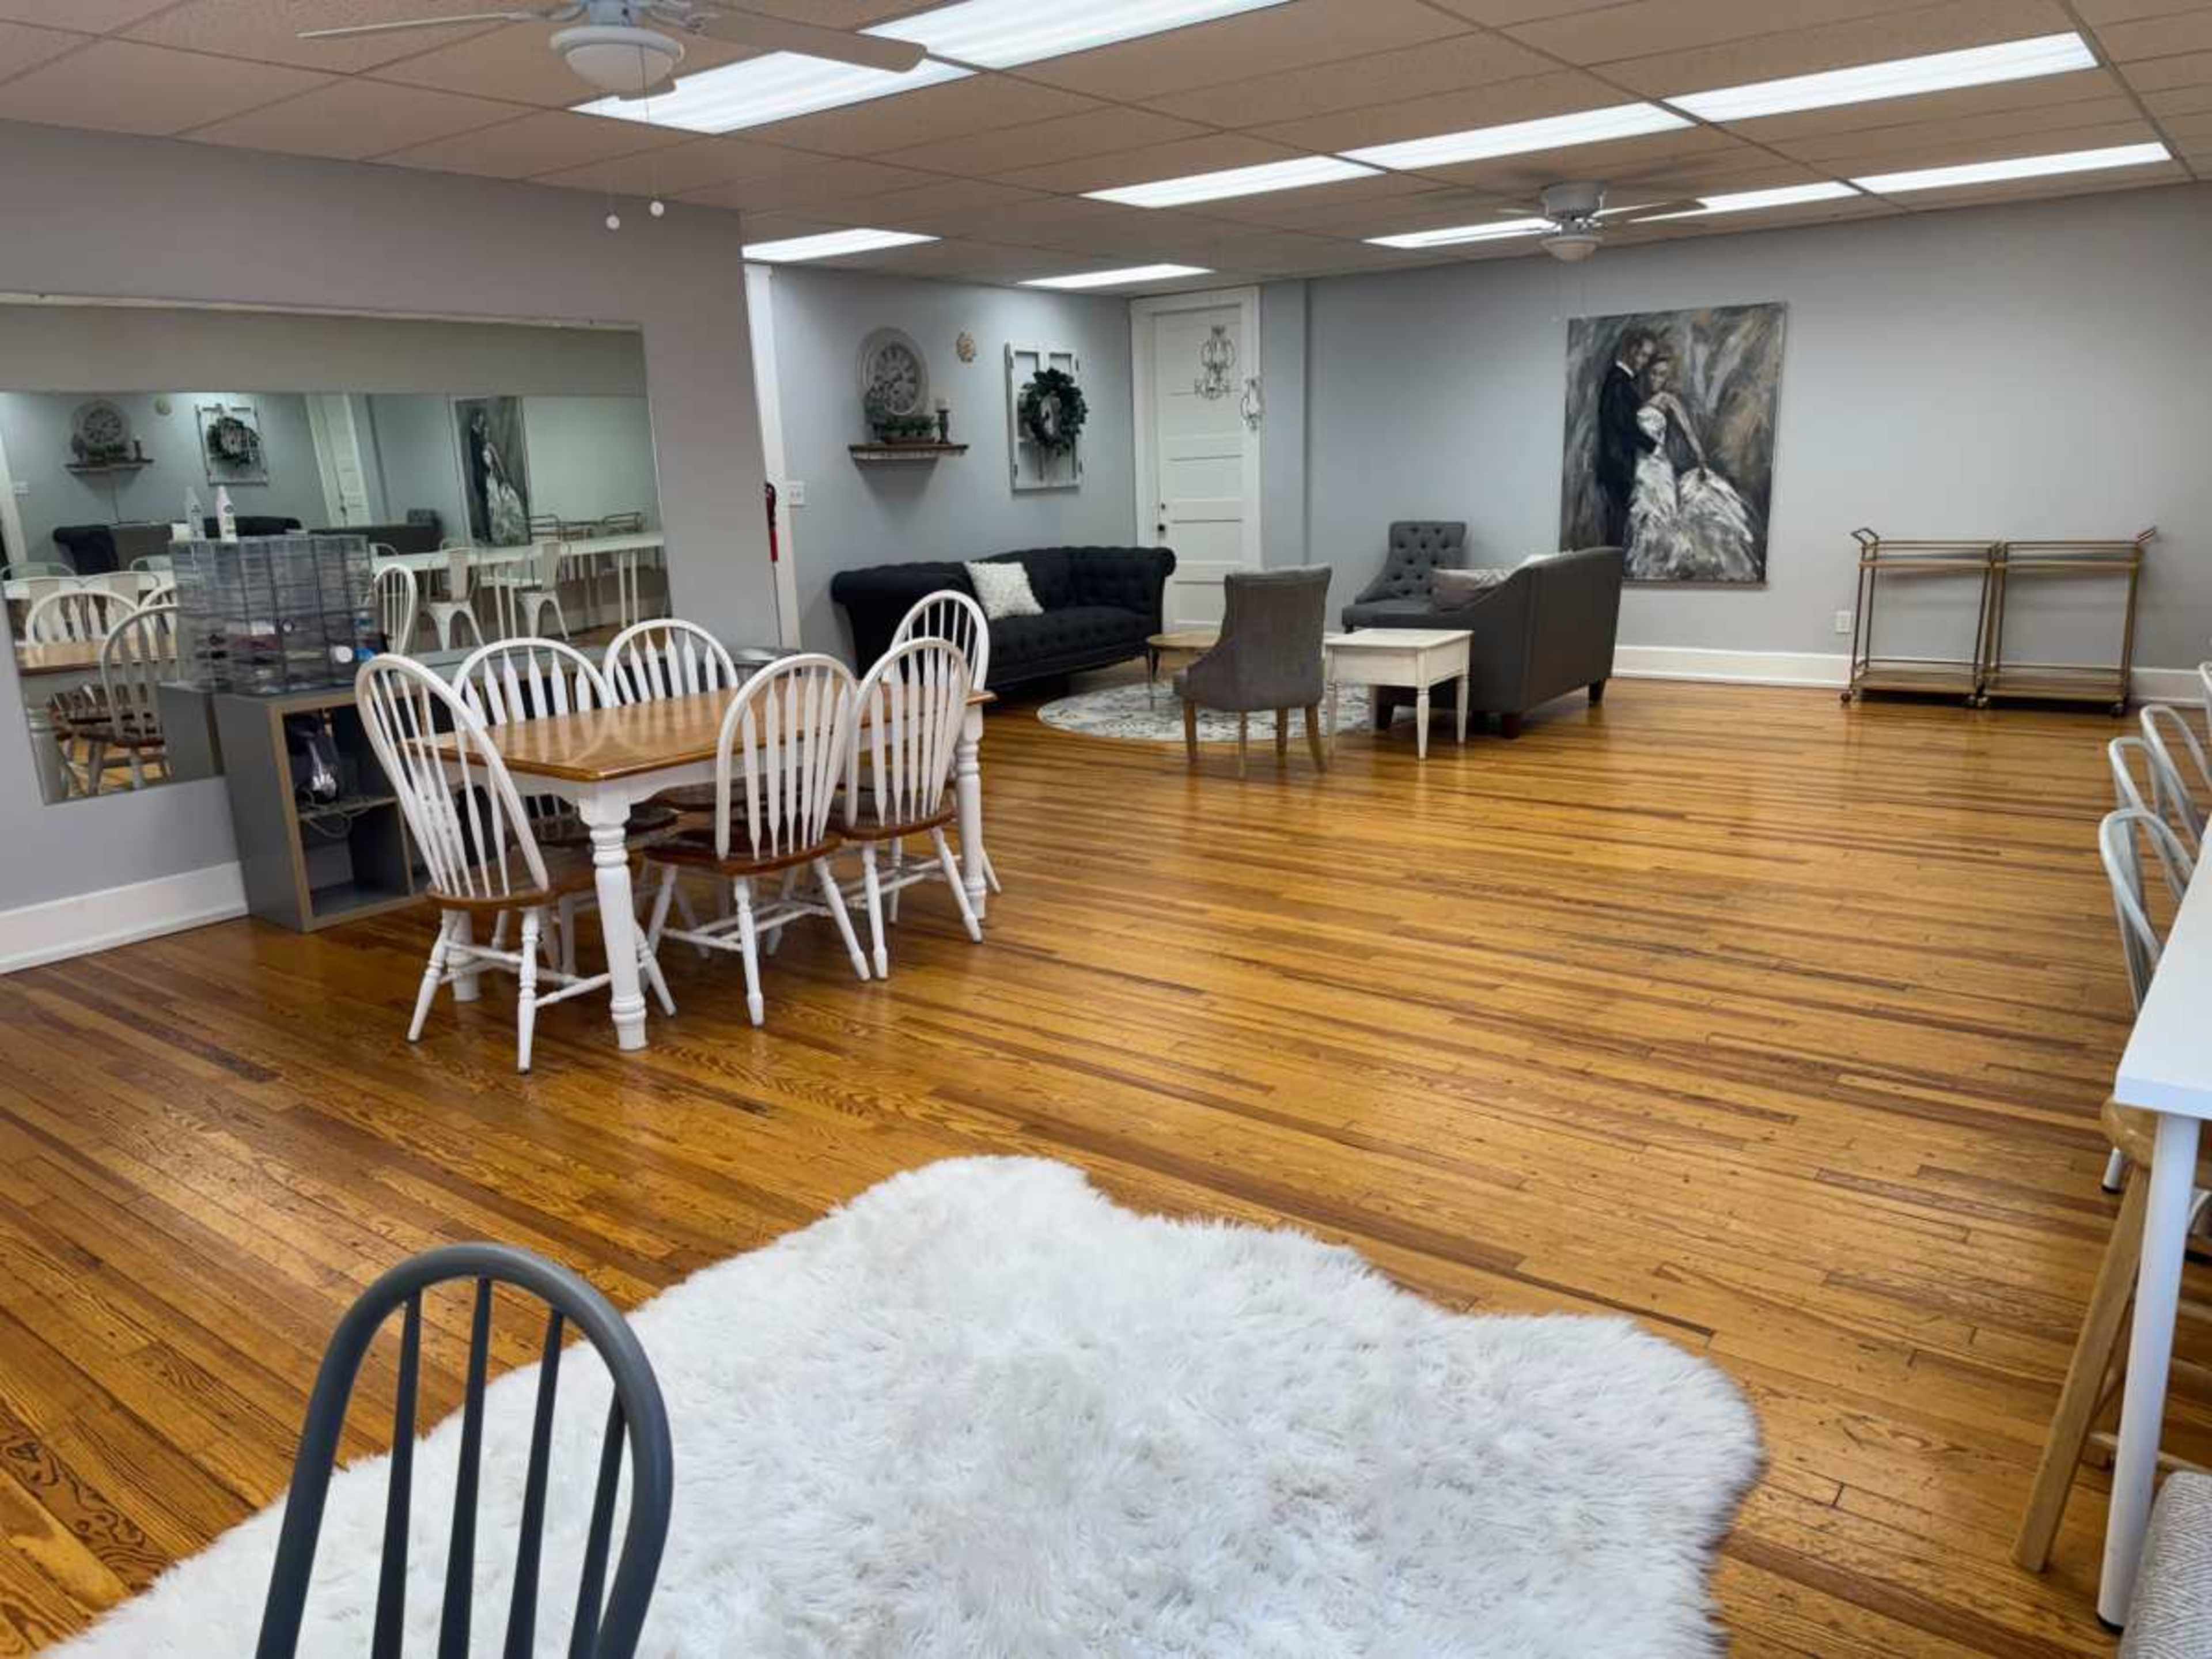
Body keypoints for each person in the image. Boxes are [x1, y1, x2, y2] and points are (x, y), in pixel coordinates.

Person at [1629, 357, 1760, 582]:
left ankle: (1662, 569)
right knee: (1642, 515)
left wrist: (1700, 457)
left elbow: (1688, 431)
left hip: (1659, 466)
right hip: (1640, 467)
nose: (1657, 379)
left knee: (1662, 513)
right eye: (1654, 373)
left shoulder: (1667, 400)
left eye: (1662, 375)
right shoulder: (1635, 400)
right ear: (1646, 373)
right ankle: (1644, 572)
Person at [1594, 328, 1658, 548]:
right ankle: (1611, 573)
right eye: (1643, 355)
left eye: (1648, 357)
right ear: (1631, 351)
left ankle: (1612, 570)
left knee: (1618, 522)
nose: (1644, 362)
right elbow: (1625, 427)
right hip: (1618, 465)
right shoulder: (1620, 383)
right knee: (1617, 524)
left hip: (1616, 464)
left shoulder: (1619, 381)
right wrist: (1653, 446)